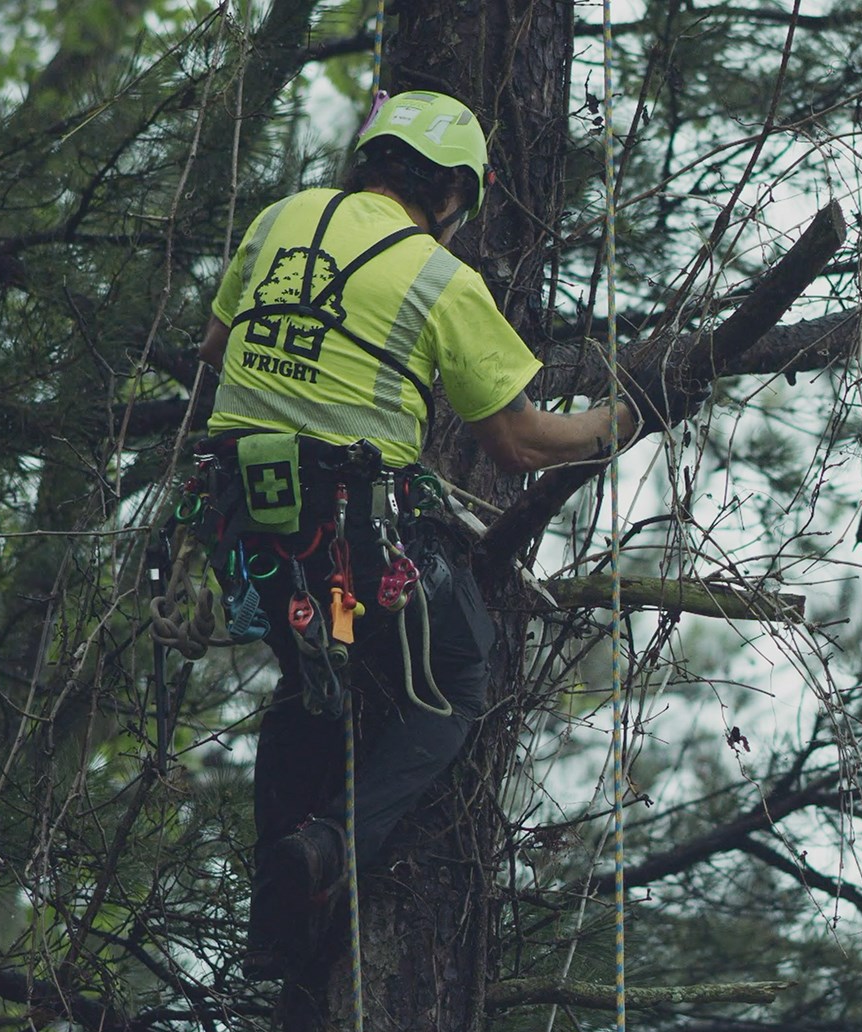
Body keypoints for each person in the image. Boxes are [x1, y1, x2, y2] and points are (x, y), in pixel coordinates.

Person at [192, 90, 694, 982]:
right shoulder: (439, 277)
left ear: (371, 158)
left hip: (246, 526)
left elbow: (216, 344)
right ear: (454, 194)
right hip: (353, 540)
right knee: (458, 669)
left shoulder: (279, 220)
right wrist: (630, 414)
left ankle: (277, 917)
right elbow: (523, 441)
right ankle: (335, 845)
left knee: (309, 681)